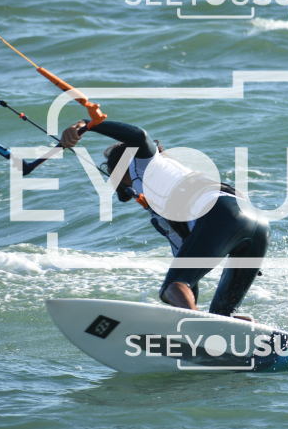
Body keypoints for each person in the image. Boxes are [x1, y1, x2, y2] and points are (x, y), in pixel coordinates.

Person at [59, 119, 269, 317]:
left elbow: (139, 136)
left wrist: (87, 125)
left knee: (171, 288)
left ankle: (199, 326)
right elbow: (186, 275)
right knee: (222, 316)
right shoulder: (165, 206)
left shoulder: (144, 164)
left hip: (222, 212)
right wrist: (187, 306)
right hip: (257, 223)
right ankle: (235, 335)